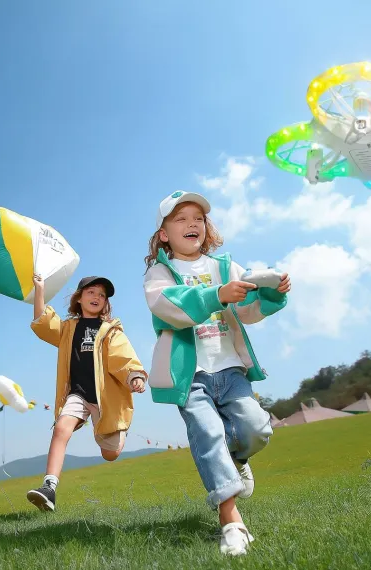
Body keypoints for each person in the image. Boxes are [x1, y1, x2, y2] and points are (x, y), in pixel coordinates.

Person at [143, 191, 291, 556]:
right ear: (163, 234)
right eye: (180, 219)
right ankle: (232, 523)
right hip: (190, 375)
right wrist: (217, 295)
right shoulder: (159, 274)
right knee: (208, 434)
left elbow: (248, 309)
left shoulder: (225, 266)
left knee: (256, 428)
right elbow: (168, 308)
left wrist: (271, 295)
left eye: (198, 218)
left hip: (230, 368)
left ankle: (237, 460)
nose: (191, 224)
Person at [26, 274, 148, 512]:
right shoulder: (67, 328)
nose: (97, 297)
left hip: (105, 398)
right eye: (91, 292)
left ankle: (118, 427)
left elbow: (123, 356)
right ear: (79, 298)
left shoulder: (110, 331)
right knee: (61, 427)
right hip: (77, 394)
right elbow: (42, 322)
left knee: (110, 454)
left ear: (105, 303)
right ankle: (49, 488)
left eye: (102, 295)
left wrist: (135, 375)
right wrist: (39, 290)